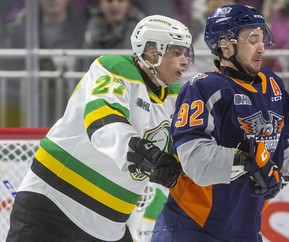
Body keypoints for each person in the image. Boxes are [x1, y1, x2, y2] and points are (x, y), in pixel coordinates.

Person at [151, 5, 289, 242]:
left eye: (262, 39)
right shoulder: (203, 88)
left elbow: (278, 150)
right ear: (225, 44)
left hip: (245, 232)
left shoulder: (272, 86)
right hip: (190, 229)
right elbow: (195, 161)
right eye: (252, 40)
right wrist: (250, 163)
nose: (262, 48)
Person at [6, 15, 193, 242]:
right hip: (53, 205)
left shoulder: (175, 94)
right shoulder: (113, 68)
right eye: (176, 53)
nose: (185, 61)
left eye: (186, 53)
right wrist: (149, 157)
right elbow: (104, 123)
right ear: (152, 52)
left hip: (109, 226)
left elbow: (184, 150)